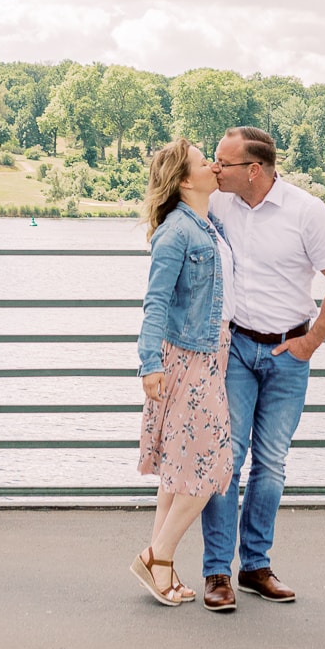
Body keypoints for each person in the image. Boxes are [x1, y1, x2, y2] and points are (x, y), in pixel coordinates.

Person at [200, 126, 325, 611]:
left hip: (287, 354)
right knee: (226, 461)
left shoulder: (307, 213)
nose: (214, 168)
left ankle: (255, 567)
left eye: (223, 162)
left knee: (271, 464)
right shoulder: (218, 201)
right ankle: (216, 574)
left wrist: (310, 342)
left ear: (254, 170)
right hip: (236, 349)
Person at [132, 138, 235, 607]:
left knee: (177, 469)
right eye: (203, 162)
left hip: (212, 354)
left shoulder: (209, 224)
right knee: (211, 466)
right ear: (184, 180)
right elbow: (155, 302)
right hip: (188, 359)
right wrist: (148, 365)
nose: (213, 166)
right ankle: (157, 555)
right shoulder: (177, 233)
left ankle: (162, 568)